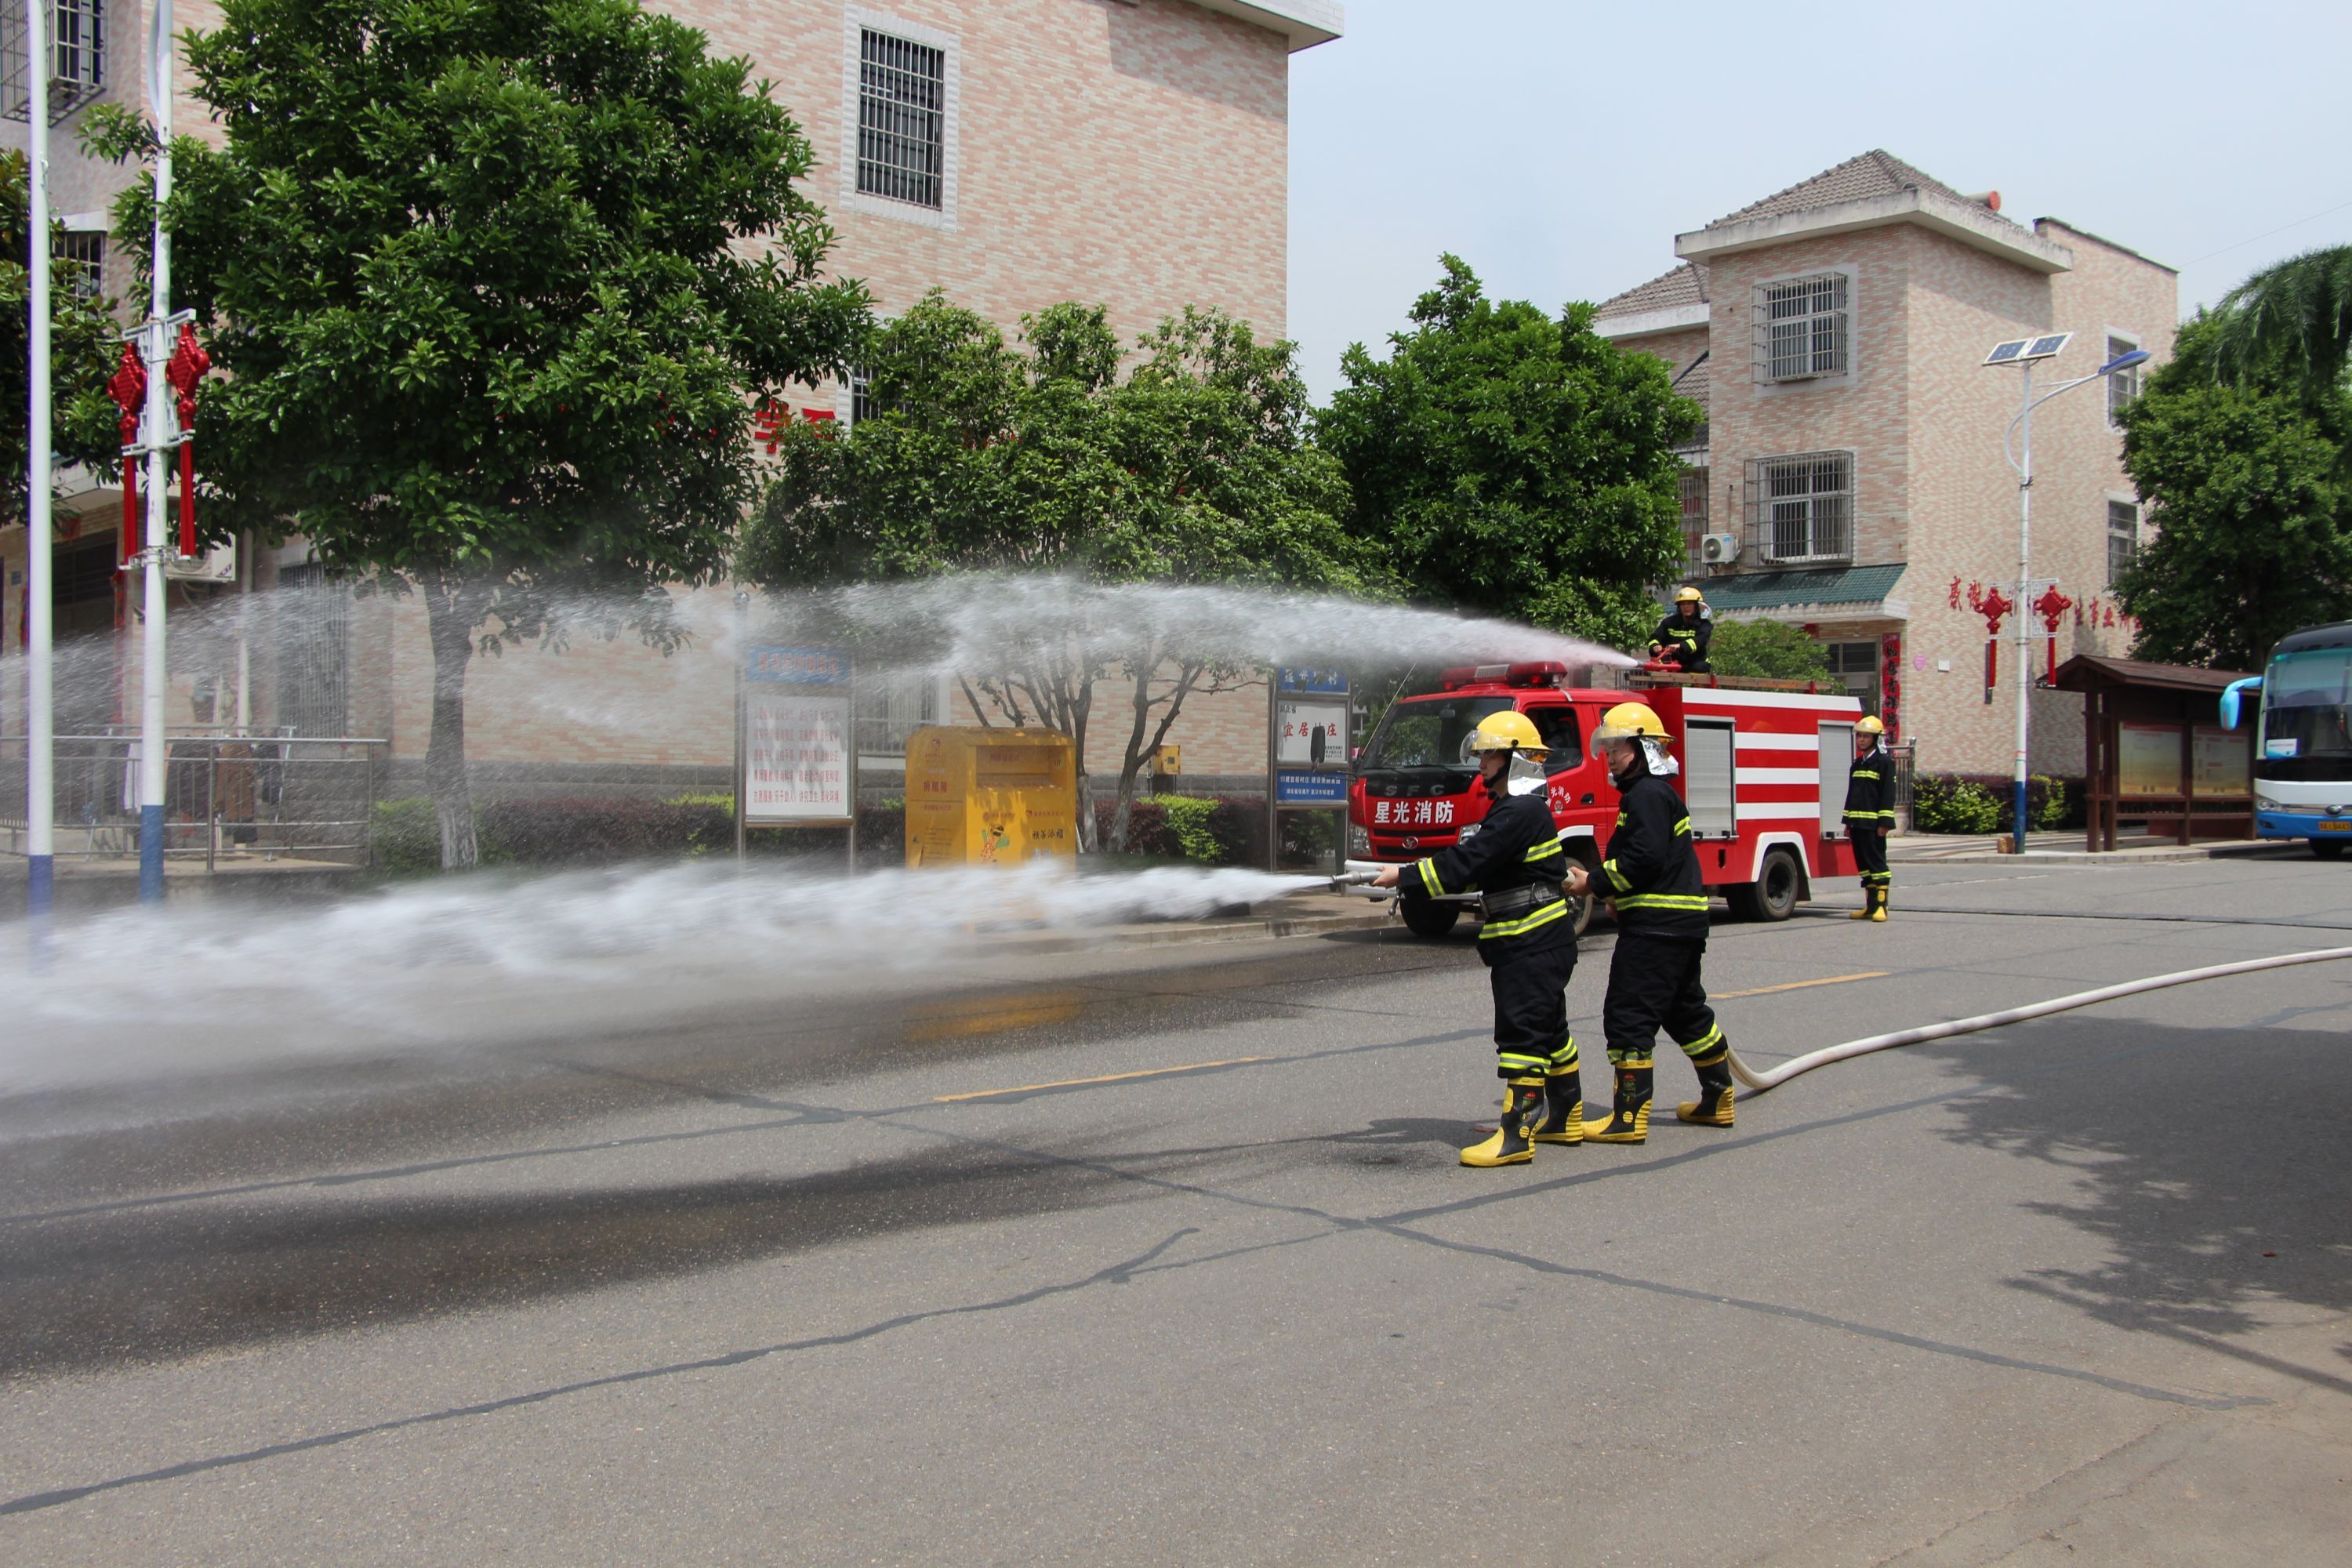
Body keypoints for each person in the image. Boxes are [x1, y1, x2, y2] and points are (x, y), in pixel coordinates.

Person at [1371, 709, 1581, 1167]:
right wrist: (1411, 876)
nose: (1481, 762)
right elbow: (1477, 866)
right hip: (1540, 939)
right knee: (1551, 1029)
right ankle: (1565, 1117)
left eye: (1490, 755)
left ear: (1514, 759)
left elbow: (1469, 862)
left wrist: (1405, 876)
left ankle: (1516, 1137)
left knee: (1523, 1034)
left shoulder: (1518, 812)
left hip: (1530, 941)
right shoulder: (1517, 809)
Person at [1581, 702, 1736, 1142]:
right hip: (1678, 924)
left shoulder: (1646, 795)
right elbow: (1659, 862)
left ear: (1644, 749)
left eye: (1618, 747)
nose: (1610, 757)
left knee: (1628, 1015)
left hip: (1656, 929)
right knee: (1685, 1012)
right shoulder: (1656, 794)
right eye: (1608, 747)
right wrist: (1620, 897)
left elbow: (1643, 859)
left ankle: (1628, 1119)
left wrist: (1593, 883)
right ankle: (1719, 1098)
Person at [1844, 716, 1895, 920]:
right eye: (1859, 736)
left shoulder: (1884, 763)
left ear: (1876, 738)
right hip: (1858, 825)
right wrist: (1848, 822)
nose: (1862, 740)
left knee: (1877, 866)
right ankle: (1871, 907)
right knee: (1864, 867)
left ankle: (1882, 907)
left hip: (1874, 826)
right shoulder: (1857, 764)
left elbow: (1888, 795)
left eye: (1866, 736)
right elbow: (1851, 794)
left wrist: (1884, 823)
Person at [1648, 587, 1712, 673]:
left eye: (1689, 603)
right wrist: (1655, 646)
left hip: (1696, 663)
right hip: (1674, 663)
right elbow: (1655, 637)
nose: (1686, 607)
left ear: (1696, 606)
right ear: (1679, 606)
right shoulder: (1669, 622)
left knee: (1698, 669)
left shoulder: (1704, 624)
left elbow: (1700, 641)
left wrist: (1680, 646)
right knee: (1658, 667)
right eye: (1682, 604)